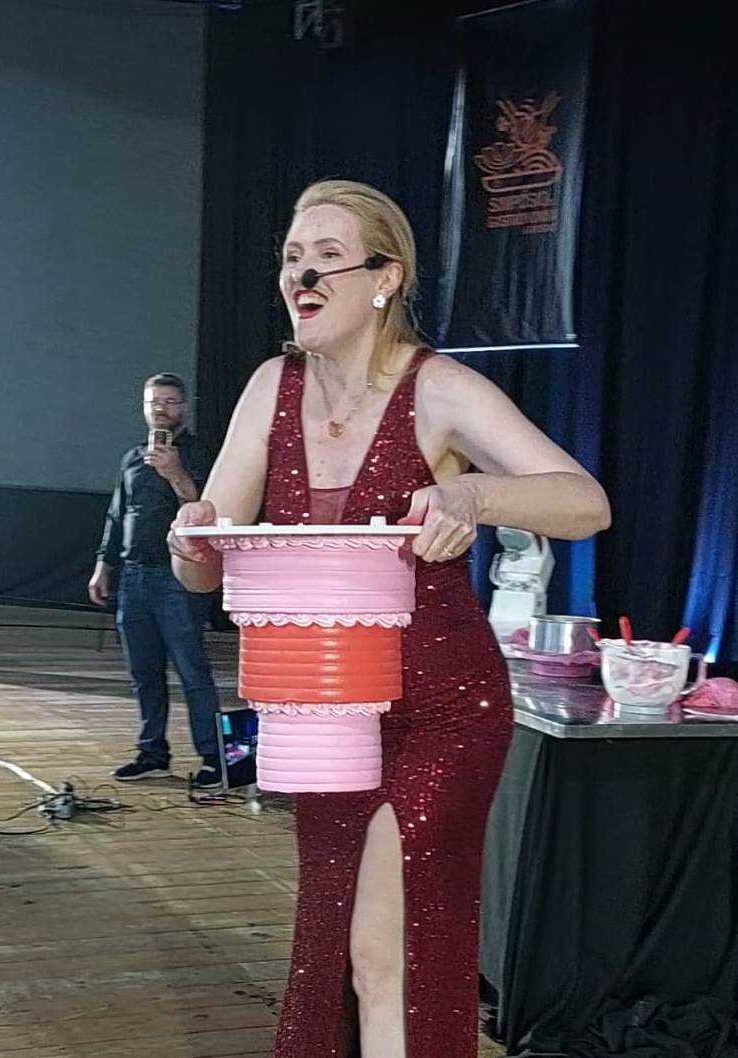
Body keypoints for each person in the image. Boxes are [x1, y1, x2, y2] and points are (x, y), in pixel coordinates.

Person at [168, 181, 611, 1058]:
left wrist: (474, 495)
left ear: (385, 277)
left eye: (327, 257)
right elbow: (203, 566)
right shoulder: (270, 388)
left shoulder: (437, 387)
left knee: (386, 951)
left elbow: (585, 502)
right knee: (334, 939)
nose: (302, 275)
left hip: (441, 709)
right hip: (325, 714)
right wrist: (191, 536)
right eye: (293, 258)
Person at [88, 372, 222, 786]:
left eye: (169, 401)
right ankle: (152, 754)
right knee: (143, 672)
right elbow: (117, 514)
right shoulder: (132, 457)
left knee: (192, 671)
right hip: (133, 577)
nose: (160, 408)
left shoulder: (200, 454)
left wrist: (176, 473)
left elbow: (205, 510)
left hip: (178, 577)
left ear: (184, 407)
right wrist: (103, 565)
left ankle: (214, 759)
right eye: (153, 402)